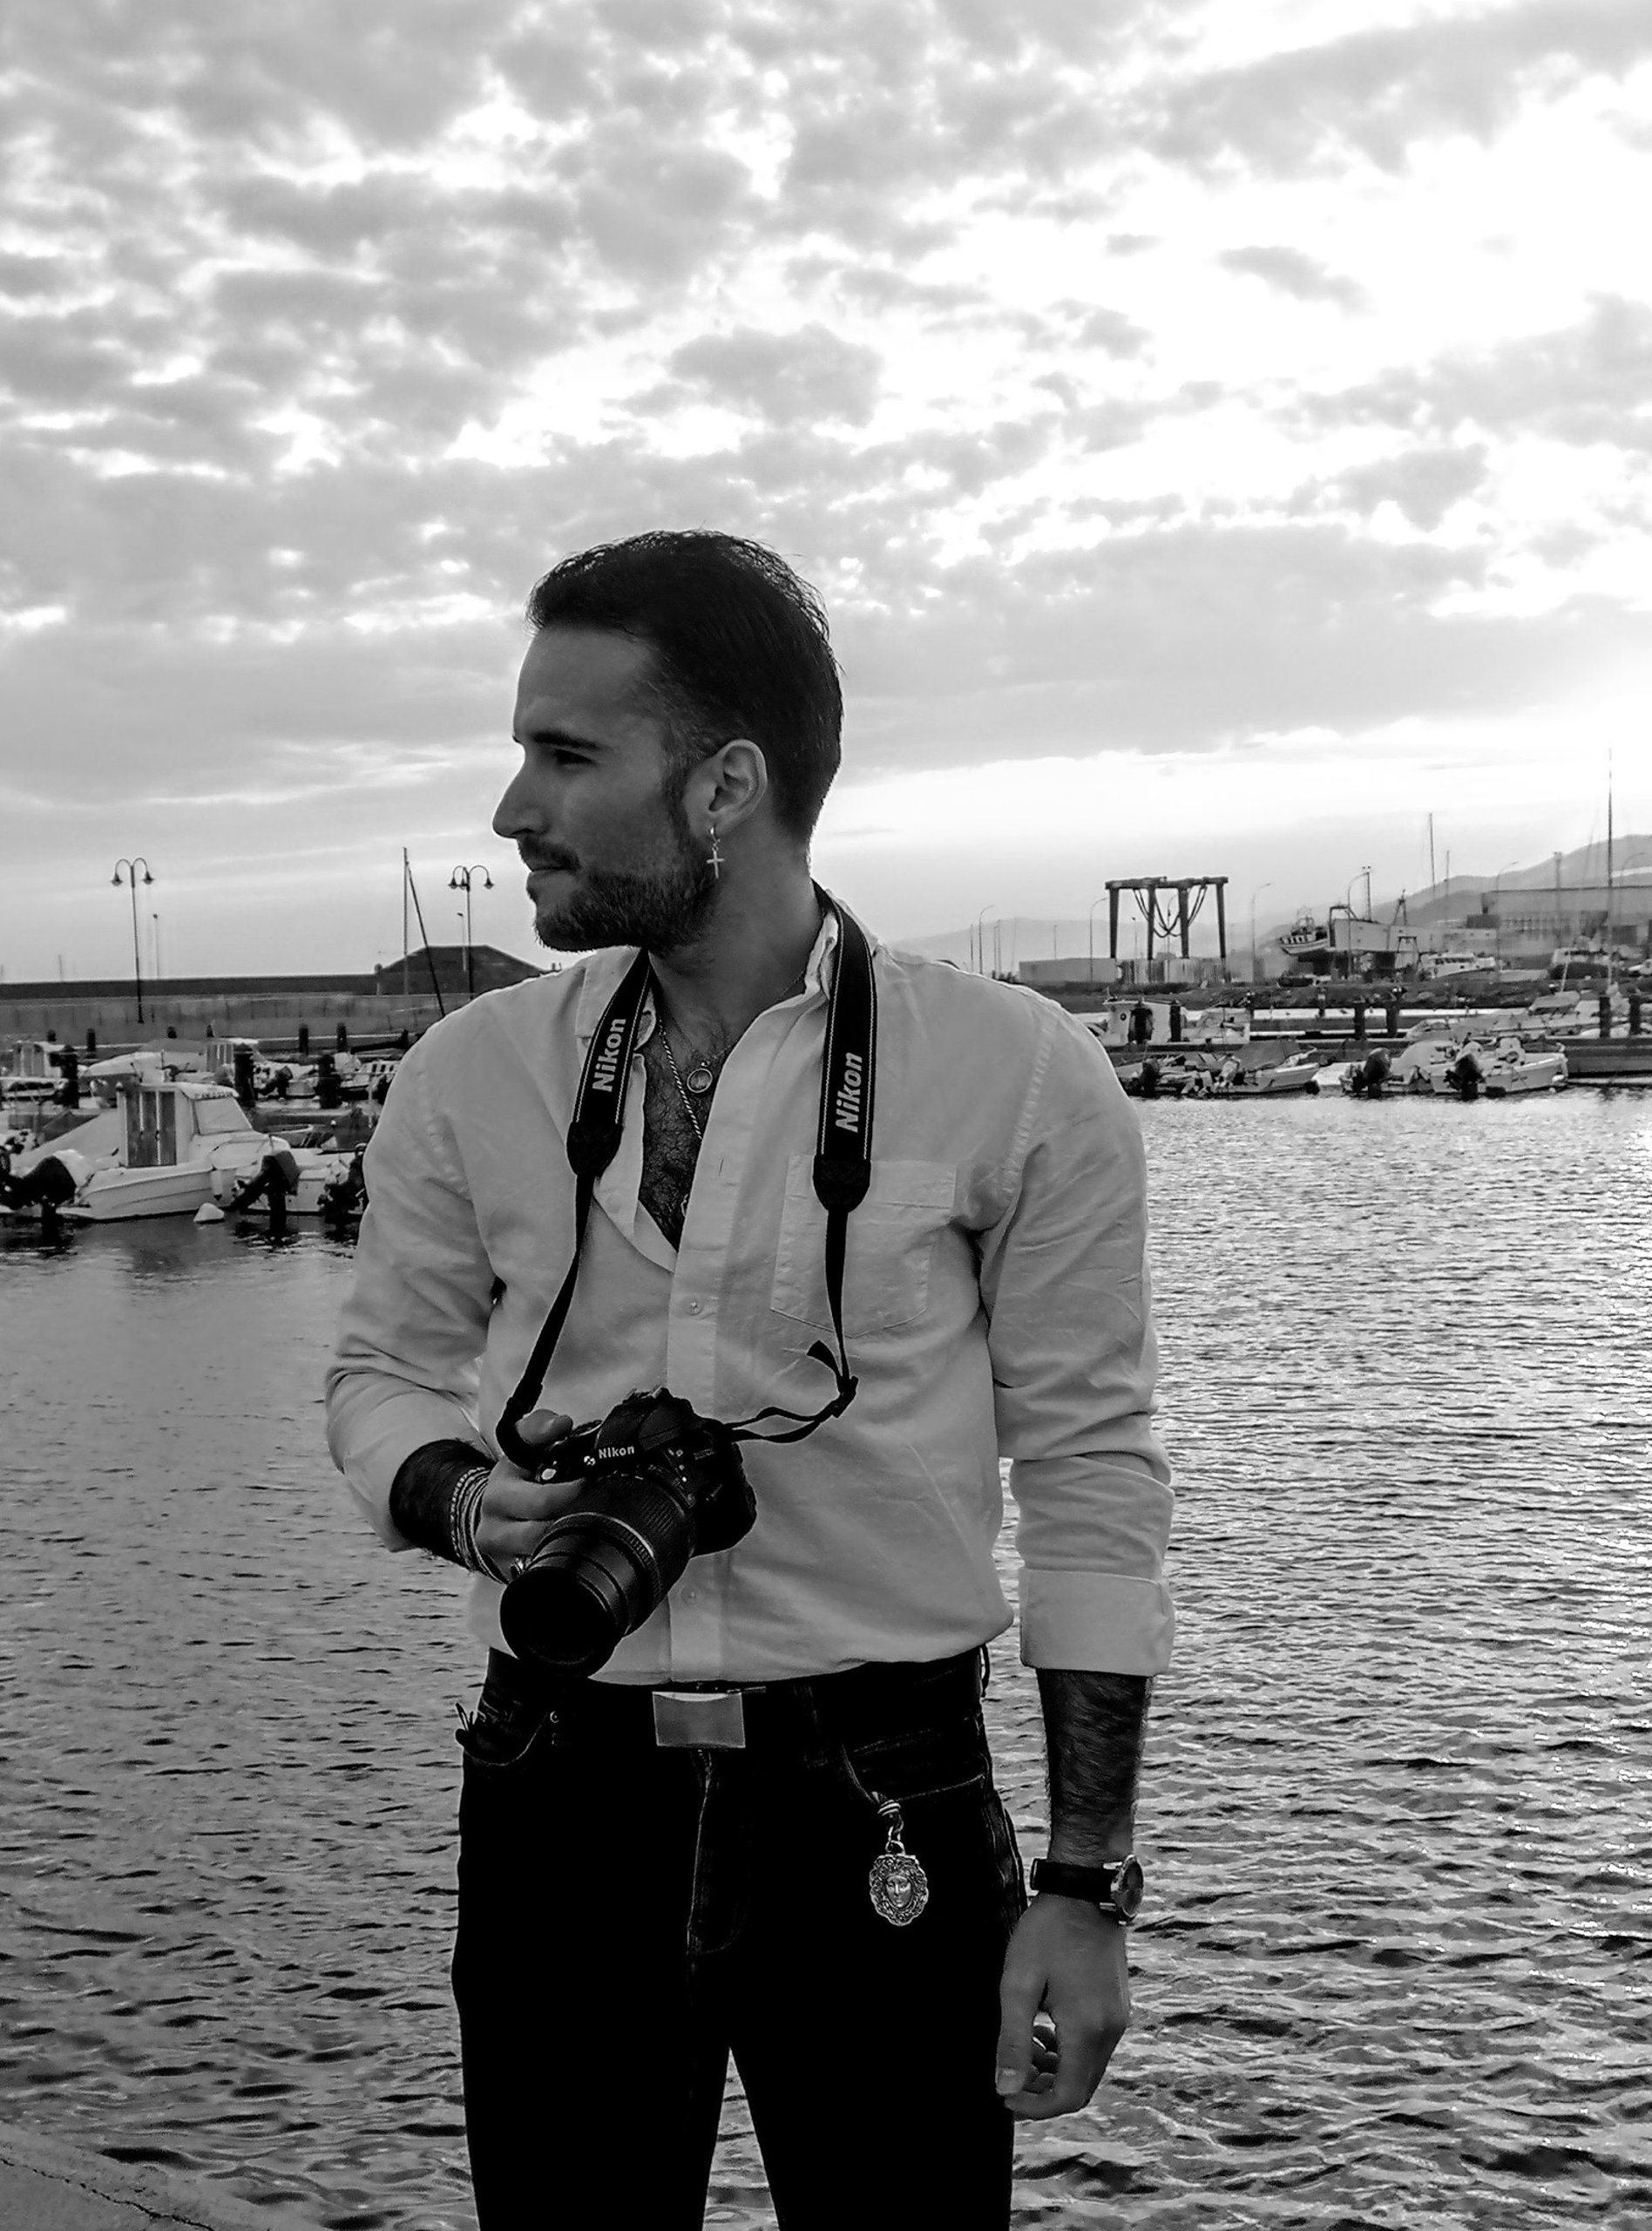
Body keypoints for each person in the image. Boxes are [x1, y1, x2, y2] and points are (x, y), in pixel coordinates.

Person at [325, 531, 1174, 2231]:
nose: (512, 808)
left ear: (724, 785)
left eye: (565, 756)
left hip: (885, 1799)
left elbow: (1091, 1479)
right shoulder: (472, 1072)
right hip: (561, 1778)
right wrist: (472, 1503)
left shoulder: (1013, 1072)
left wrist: (1083, 1884)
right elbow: (379, 1377)